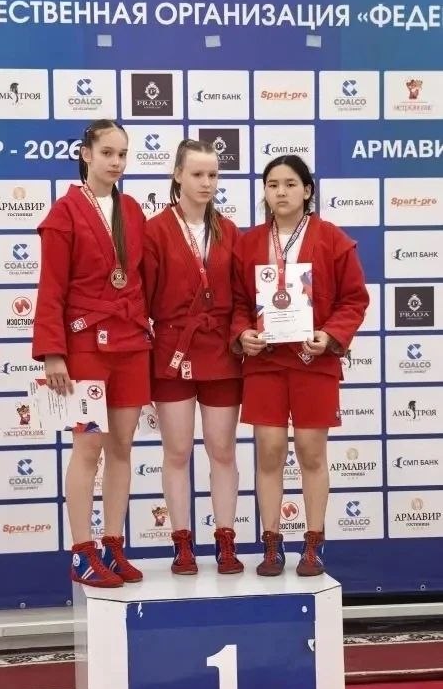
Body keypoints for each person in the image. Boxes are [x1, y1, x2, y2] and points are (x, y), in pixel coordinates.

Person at [231, 154, 369, 578]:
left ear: (307, 190)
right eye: (273, 185)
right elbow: (237, 304)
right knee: (269, 451)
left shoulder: (332, 239)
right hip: (266, 362)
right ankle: (272, 544)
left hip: (314, 360)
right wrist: (242, 333)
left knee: (311, 451)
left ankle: (313, 543)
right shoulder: (248, 243)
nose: (281, 192)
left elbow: (354, 300)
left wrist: (330, 335)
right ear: (265, 192)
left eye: (290, 184)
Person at [32, 119, 152, 588]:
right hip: (85, 345)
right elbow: (51, 288)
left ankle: (113, 546)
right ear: (86, 154)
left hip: (130, 343)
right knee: (88, 448)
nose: (116, 162)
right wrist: (52, 353)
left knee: (122, 446)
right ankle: (82, 552)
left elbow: (141, 279)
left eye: (122, 154)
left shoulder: (133, 210)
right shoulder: (64, 213)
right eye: (107, 153)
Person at [143, 139, 244, 576]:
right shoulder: (154, 230)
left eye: (213, 175)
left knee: (222, 450)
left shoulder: (230, 231)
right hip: (173, 350)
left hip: (221, 350)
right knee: (178, 450)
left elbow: (242, 294)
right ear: (178, 175)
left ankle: (225, 540)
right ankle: (182, 543)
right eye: (198, 174)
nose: (206, 183)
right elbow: (143, 297)